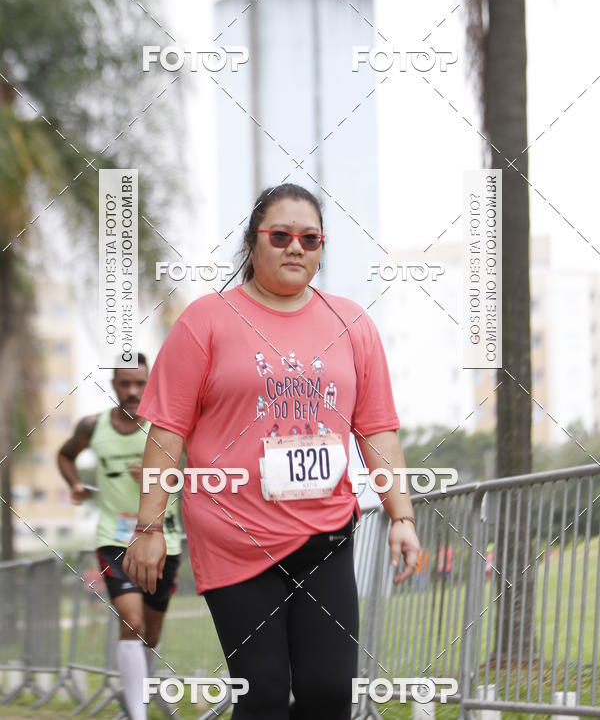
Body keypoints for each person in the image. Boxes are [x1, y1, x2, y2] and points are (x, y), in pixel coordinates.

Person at [123, 183, 420, 720]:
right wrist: (148, 530)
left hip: (325, 530)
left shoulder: (353, 323)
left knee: (330, 692)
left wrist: (401, 513)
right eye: (280, 235)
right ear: (252, 243)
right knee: (260, 695)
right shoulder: (206, 320)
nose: (295, 248)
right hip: (233, 534)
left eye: (310, 238)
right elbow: (167, 432)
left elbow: (376, 429)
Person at [57, 354, 182, 720]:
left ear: (150, 385)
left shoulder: (167, 428)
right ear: (113, 385)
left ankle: (139, 693)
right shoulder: (93, 427)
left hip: (164, 539)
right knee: (133, 621)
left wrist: (158, 476)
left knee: (151, 632)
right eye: (125, 383)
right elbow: (65, 455)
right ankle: (137, 714)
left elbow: (203, 474)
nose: (132, 391)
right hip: (114, 539)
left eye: (140, 384)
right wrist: (75, 483)